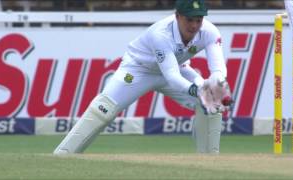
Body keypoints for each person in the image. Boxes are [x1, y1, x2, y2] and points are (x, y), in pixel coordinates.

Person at [53, 0, 232, 154]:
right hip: (138, 70)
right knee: (103, 109)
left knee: (212, 103)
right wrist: (197, 89)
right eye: (189, 19)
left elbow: (218, 69)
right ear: (177, 16)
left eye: (198, 20)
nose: (194, 26)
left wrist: (216, 85)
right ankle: (63, 156)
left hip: (177, 67)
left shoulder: (210, 31)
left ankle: (209, 160)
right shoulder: (161, 34)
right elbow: (171, 77)